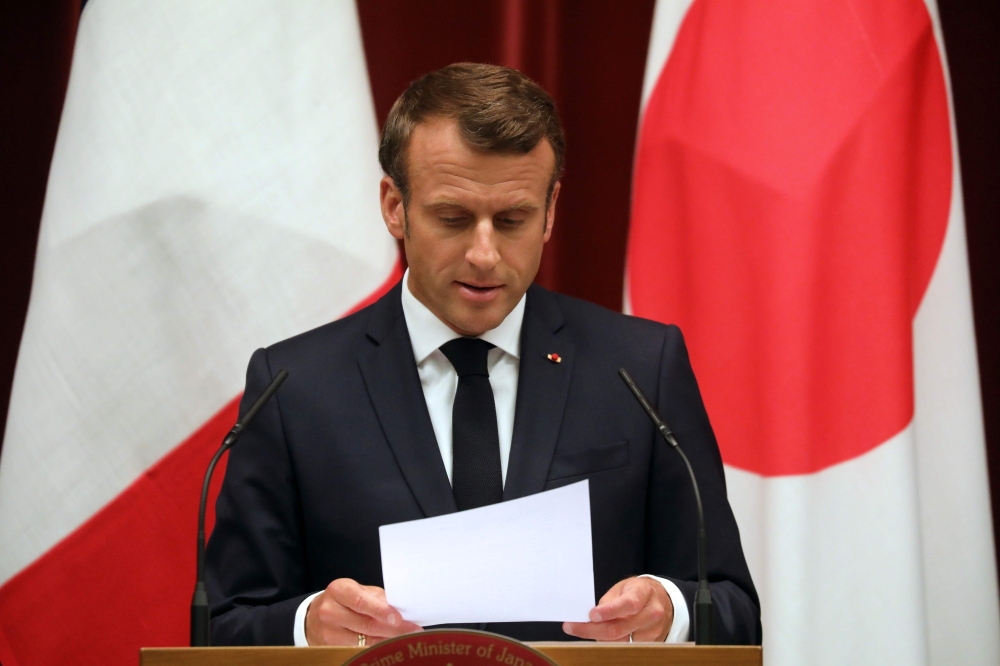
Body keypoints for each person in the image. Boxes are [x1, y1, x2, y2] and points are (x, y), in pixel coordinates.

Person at [206, 63, 761, 647]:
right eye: (453, 218)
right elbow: (222, 626)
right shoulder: (294, 387)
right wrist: (307, 625)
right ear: (394, 206)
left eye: (513, 220)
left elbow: (732, 608)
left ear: (550, 212)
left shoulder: (640, 368)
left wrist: (670, 611)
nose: (484, 254)